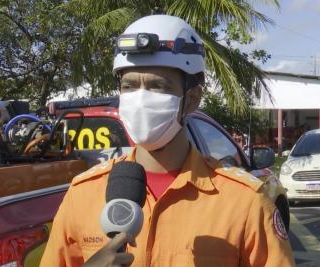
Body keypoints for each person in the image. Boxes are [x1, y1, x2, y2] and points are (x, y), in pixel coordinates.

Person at [40, 15, 295, 267]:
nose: (140, 99)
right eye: (129, 86)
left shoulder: (244, 202)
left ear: (192, 99)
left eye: (157, 86)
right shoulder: (82, 194)